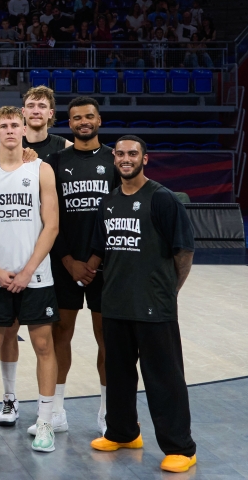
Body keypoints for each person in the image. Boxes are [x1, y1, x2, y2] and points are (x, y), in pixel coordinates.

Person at [88, 136, 197, 473]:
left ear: (145, 159)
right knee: (118, 374)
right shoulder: (108, 202)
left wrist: (168, 290)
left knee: (164, 378)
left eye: (132, 153)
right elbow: (103, 252)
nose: (125, 159)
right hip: (116, 303)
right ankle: (123, 432)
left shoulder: (162, 199)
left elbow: (184, 252)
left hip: (154, 305)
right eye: (119, 154)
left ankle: (181, 447)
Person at [0, 106, 59, 453]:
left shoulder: (41, 169)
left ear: (23, 129)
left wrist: (28, 269)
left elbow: (52, 224)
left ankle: (46, 421)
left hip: (36, 275)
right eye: (3, 125)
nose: (9, 130)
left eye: (14, 125)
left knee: (44, 346)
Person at [0, 85, 72, 425]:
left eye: (42, 106)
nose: (35, 110)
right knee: (9, 330)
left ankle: (55, 408)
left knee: (53, 335)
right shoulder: (4, 145)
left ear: (51, 113)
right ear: (21, 115)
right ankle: (9, 399)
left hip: (54, 250)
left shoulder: (63, 149)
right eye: (30, 106)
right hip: (14, 252)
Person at [41, 97, 118, 437]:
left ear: (99, 119)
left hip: (106, 264)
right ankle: (56, 410)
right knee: (61, 334)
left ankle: (107, 412)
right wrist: (69, 260)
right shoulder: (56, 161)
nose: (83, 122)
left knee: (108, 339)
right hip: (66, 263)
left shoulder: (116, 160)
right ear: (68, 123)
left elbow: (122, 213)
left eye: (89, 116)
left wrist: (94, 260)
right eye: (77, 118)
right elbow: (48, 216)